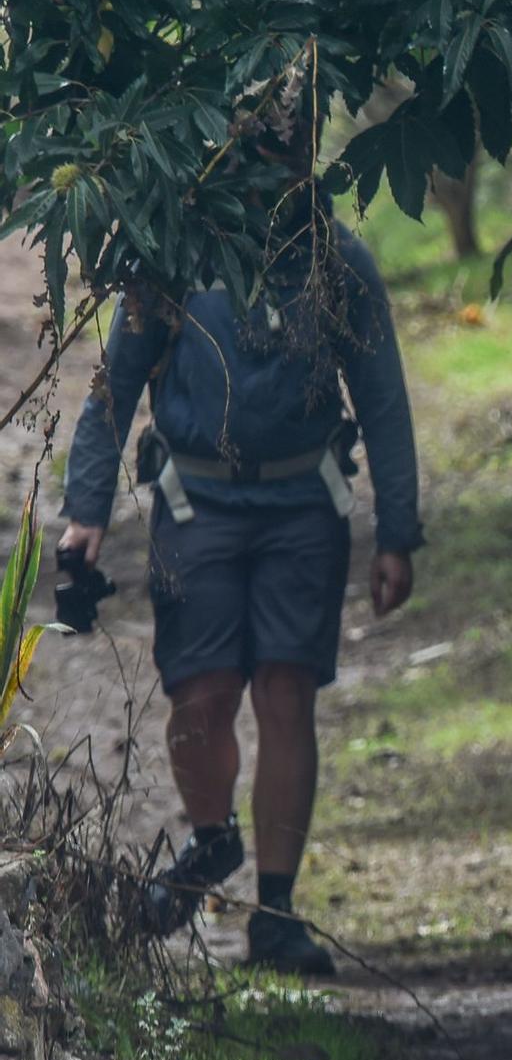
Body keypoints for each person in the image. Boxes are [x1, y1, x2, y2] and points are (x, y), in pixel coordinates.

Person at [60, 171, 422, 978]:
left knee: (287, 693)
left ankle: (277, 911)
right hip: (197, 509)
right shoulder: (172, 260)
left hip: (304, 508)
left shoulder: (339, 264)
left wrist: (398, 531)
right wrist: (85, 509)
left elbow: (383, 398)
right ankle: (212, 837)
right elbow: (112, 388)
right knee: (202, 689)